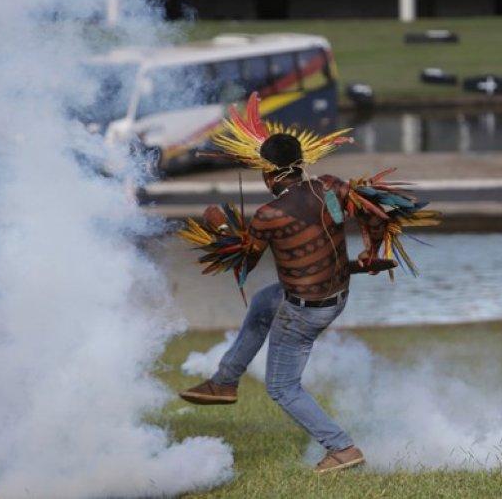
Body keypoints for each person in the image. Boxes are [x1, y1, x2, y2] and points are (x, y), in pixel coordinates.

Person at [177, 93, 440, 474]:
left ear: (269, 173)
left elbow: (244, 260)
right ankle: (225, 380)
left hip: (306, 311)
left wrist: (219, 224)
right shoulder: (330, 188)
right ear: (300, 165)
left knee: (282, 388)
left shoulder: (270, 215)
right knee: (265, 302)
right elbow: (376, 211)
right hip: (334, 296)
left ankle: (342, 448)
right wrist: (370, 250)